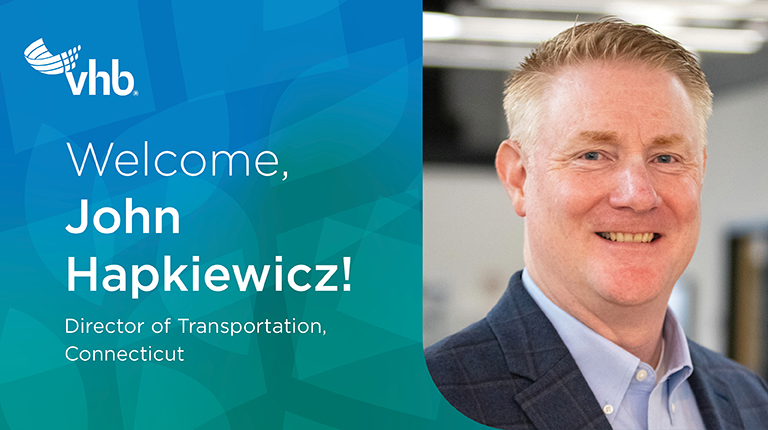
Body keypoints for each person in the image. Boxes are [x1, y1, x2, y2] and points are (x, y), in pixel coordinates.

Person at [425, 18, 768, 430]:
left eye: (666, 158)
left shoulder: (750, 399)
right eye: (593, 155)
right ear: (518, 177)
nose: (638, 194)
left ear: (701, 172)